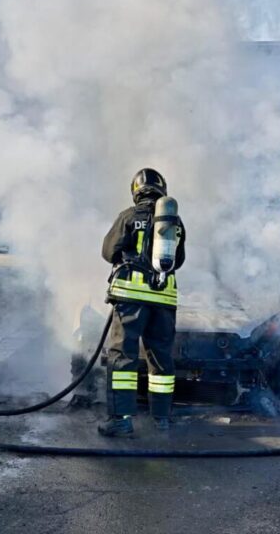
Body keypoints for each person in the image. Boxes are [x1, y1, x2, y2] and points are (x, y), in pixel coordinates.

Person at [98, 168, 185, 437]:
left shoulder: (128, 216)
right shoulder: (175, 221)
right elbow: (178, 260)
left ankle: (121, 420)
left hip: (131, 298)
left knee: (123, 356)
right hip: (164, 300)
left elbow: (108, 251)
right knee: (160, 359)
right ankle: (161, 419)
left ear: (136, 191)